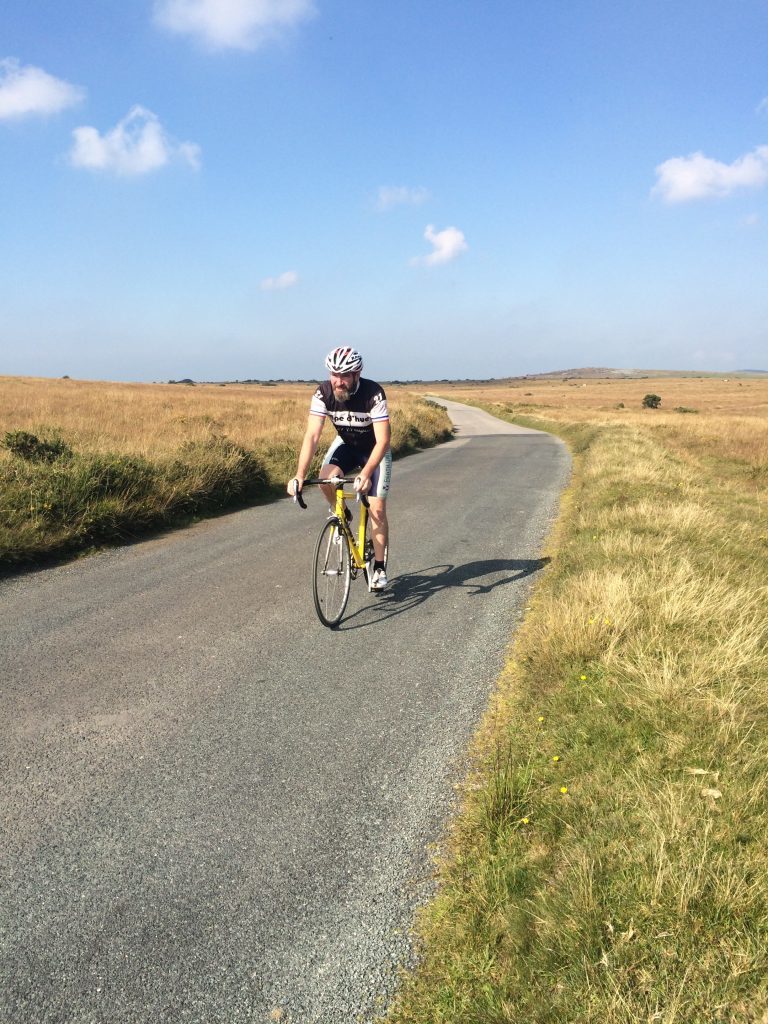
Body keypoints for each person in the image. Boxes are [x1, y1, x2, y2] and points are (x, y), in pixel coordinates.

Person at [288, 347, 391, 590]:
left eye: (344, 375)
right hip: (346, 444)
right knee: (326, 479)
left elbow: (384, 440)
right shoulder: (323, 392)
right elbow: (312, 435)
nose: (338, 381)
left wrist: (366, 473)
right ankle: (343, 514)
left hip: (374, 449)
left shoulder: (373, 393)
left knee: (376, 507)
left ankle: (378, 567)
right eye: (334, 374)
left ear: (357, 373)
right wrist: (299, 475)